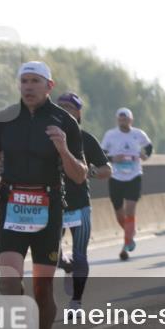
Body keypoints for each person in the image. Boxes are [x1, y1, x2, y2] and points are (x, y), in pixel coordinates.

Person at [0, 62, 86, 329]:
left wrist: (63, 148)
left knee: (42, 290)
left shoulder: (64, 121)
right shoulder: (4, 119)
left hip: (48, 209)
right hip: (12, 207)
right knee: (9, 281)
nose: (28, 86)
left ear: (49, 86)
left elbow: (80, 175)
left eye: (34, 81)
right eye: (23, 81)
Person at [56, 92, 112, 309]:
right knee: (54, 257)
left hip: (79, 206)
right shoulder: (46, 136)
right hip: (52, 206)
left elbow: (107, 170)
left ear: (78, 113)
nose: (62, 110)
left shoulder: (85, 139)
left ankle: (76, 300)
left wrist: (89, 172)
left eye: (68, 107)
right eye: (59, 106)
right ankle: (65, 265)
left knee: (80, 255)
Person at [100, 108, 152, 260]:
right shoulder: (111, 135)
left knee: (130, 211)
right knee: (119, 214)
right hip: (116, 177)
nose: (123, 121)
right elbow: (101, 153)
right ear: (117, 120)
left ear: (131, 120)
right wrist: (113, 158)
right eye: (120, 119)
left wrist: (146, 155)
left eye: (126, 119)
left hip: (134, 176)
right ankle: (130, 233)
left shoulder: (138, 134)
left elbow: (149, 147)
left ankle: (126, 245)